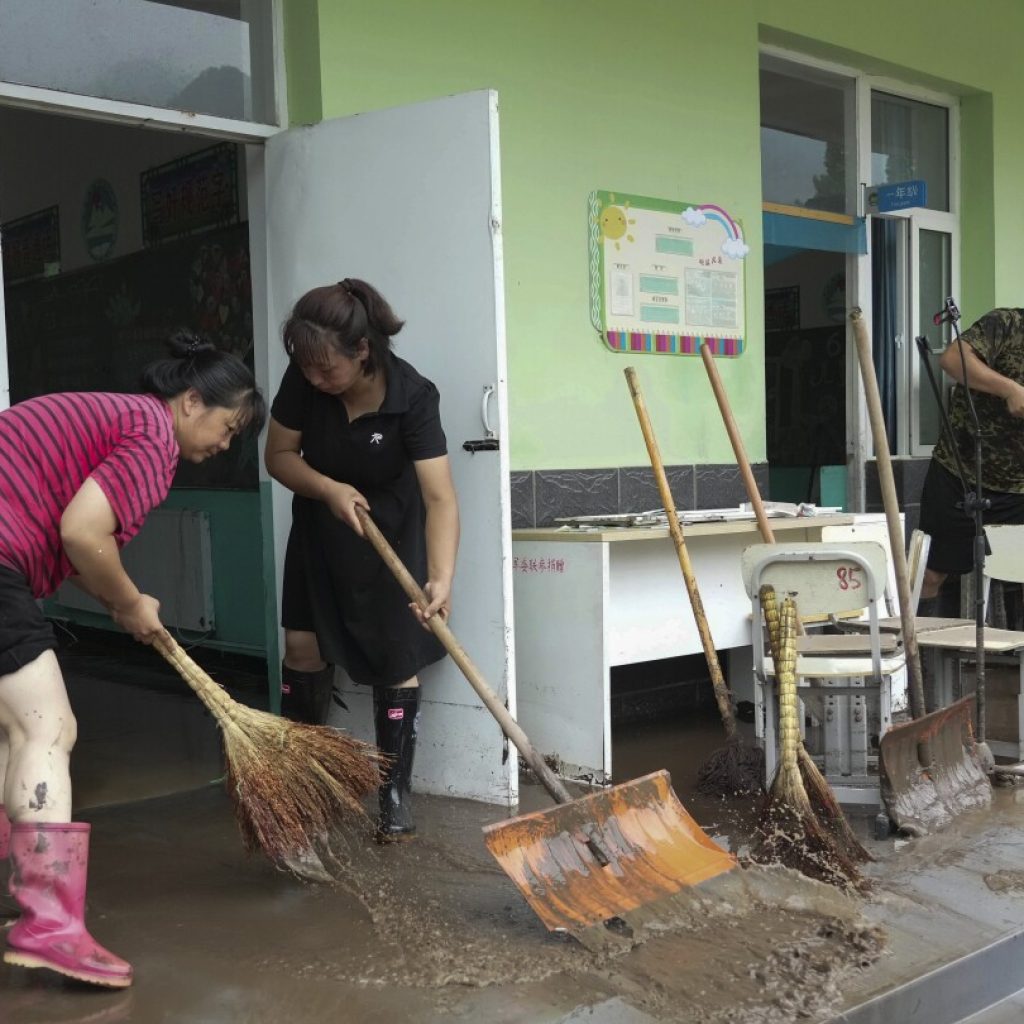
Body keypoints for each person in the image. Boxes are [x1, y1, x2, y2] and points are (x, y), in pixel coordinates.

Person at [0, 330, 266, 988]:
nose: (224, 447)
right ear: (191, 402)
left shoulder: (118, 419)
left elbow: (77, 538)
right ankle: (52, 925)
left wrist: (123, 601)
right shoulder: (151, 435)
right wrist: (126, 601)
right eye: (228, 429)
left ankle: (28, 902)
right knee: (48, 729)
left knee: (15, 731)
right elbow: (83, 533)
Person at [264, 278, 459, 844]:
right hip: (322, 532)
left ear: (363, 350)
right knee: (301, 647)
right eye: (306, 369)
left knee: (396, 652)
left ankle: (394, 789)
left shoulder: (413, 396)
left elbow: (441, 497)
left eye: (326, 369)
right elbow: (278, 456)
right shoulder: (305, 381)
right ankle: (303, 777)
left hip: (390, 535)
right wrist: (326, 488)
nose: (315, 380)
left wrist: (441, 577)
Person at [919, 308, 1024, 608]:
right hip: (960, 473)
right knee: (929, 573)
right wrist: (1010, 389)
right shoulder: (1006, 324)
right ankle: (920, 652)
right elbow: (952, 359)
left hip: (1019, 489)